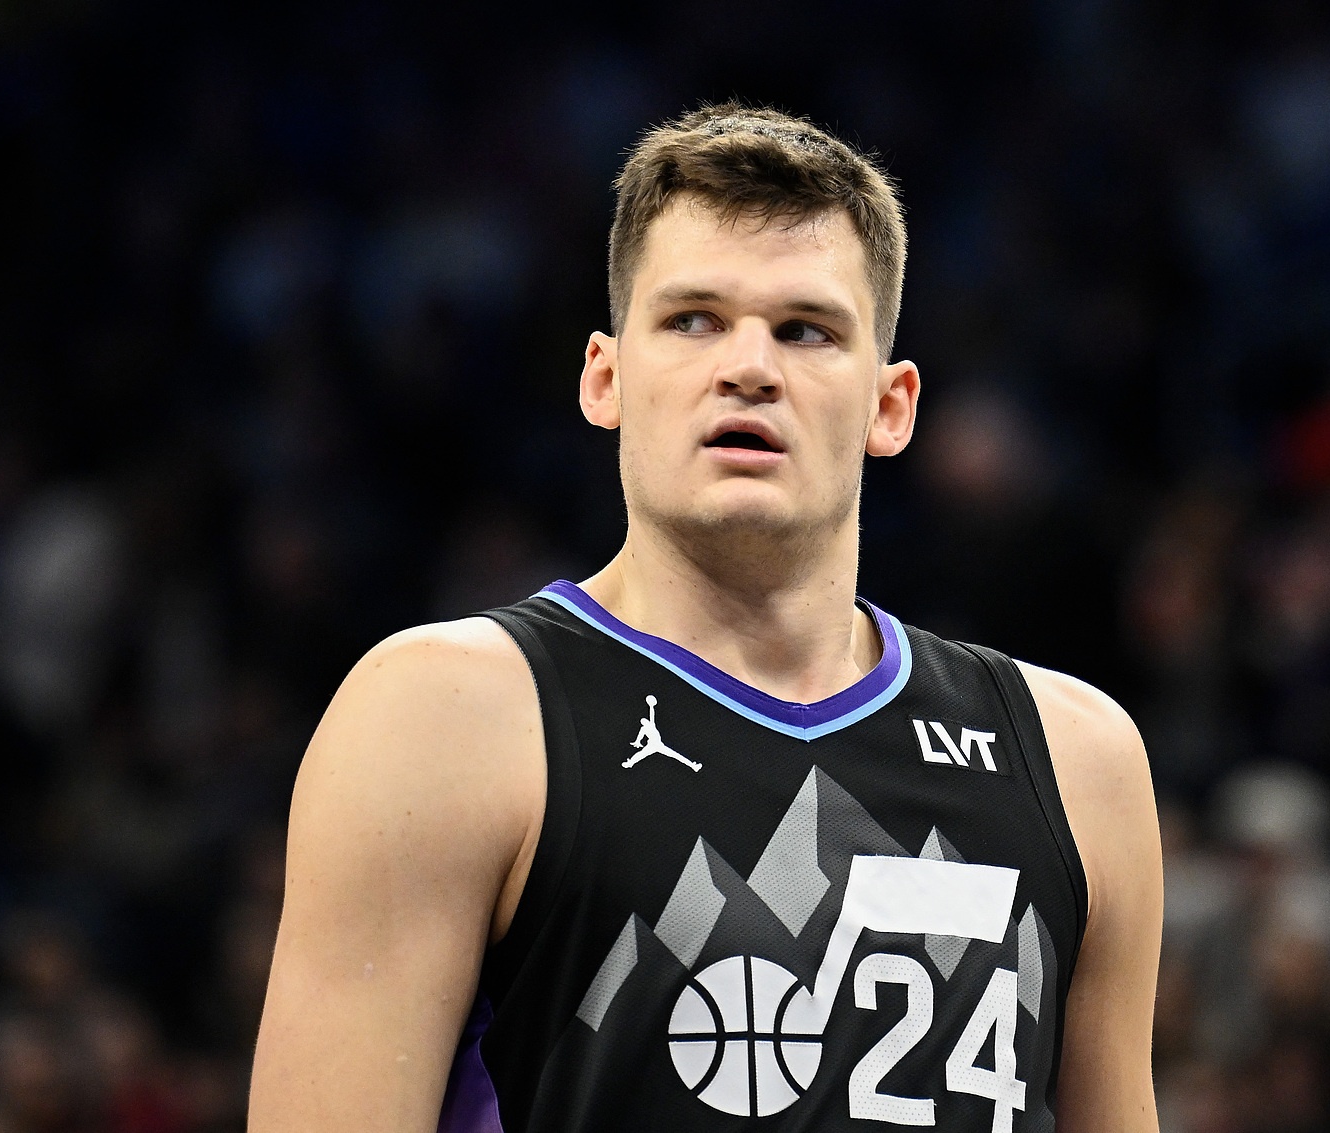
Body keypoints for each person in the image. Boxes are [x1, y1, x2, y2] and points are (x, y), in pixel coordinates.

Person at [248, 104, 1162, 1133]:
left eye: (805, 330)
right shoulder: (444, 717)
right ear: (605, 377)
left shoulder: (1077, 762)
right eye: (692, 320)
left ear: (890, 405)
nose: (748, 367)